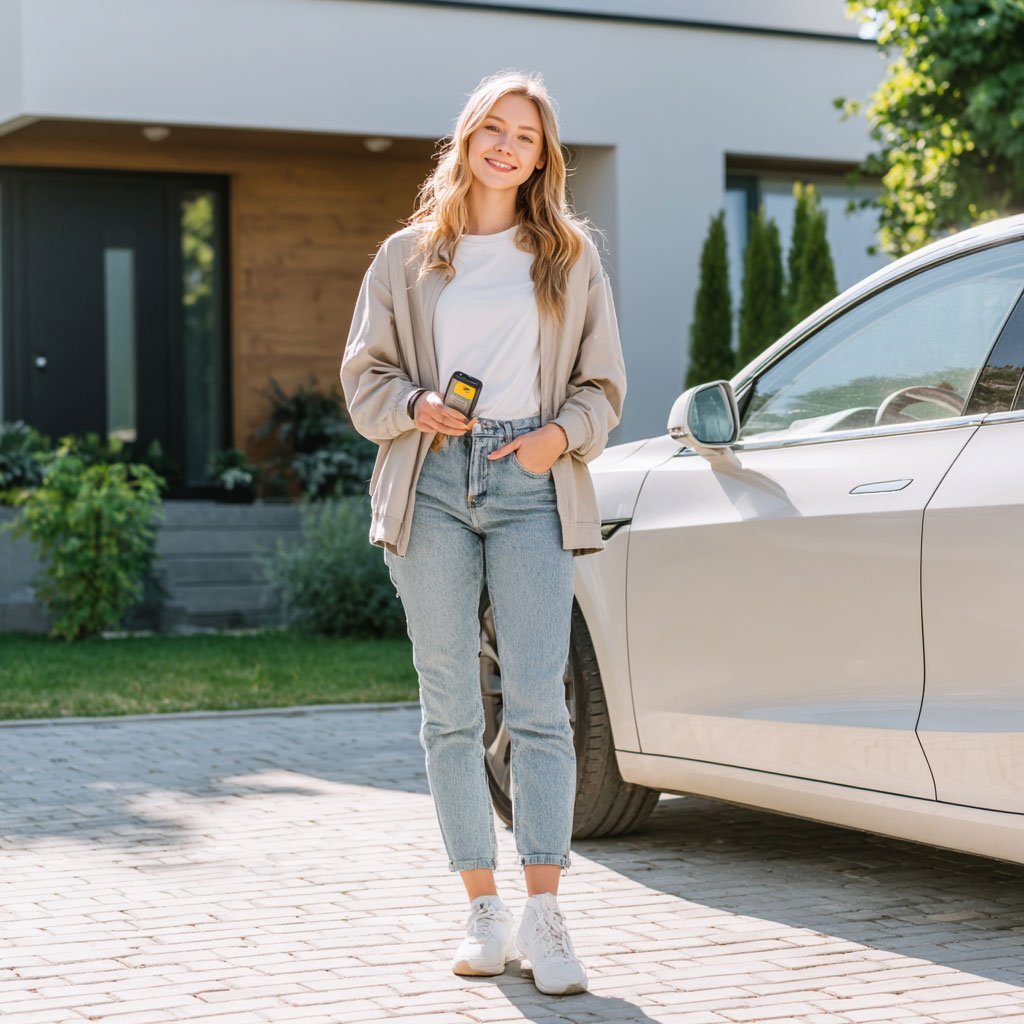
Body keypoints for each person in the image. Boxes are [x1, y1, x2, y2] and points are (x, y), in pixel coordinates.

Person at [340, 68, 626, 997]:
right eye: (494, 128)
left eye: (527, 135)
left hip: (529, 480)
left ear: (543, 157)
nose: (507, 145)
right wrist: (416, 403)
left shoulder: (571, 255)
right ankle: (482, 907)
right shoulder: (405, 256)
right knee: (450, 707)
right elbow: (363, 378)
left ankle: (547, 913)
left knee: (540, 702)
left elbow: (604, 386)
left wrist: (553, 440)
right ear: (467, 138)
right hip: (428, 480)